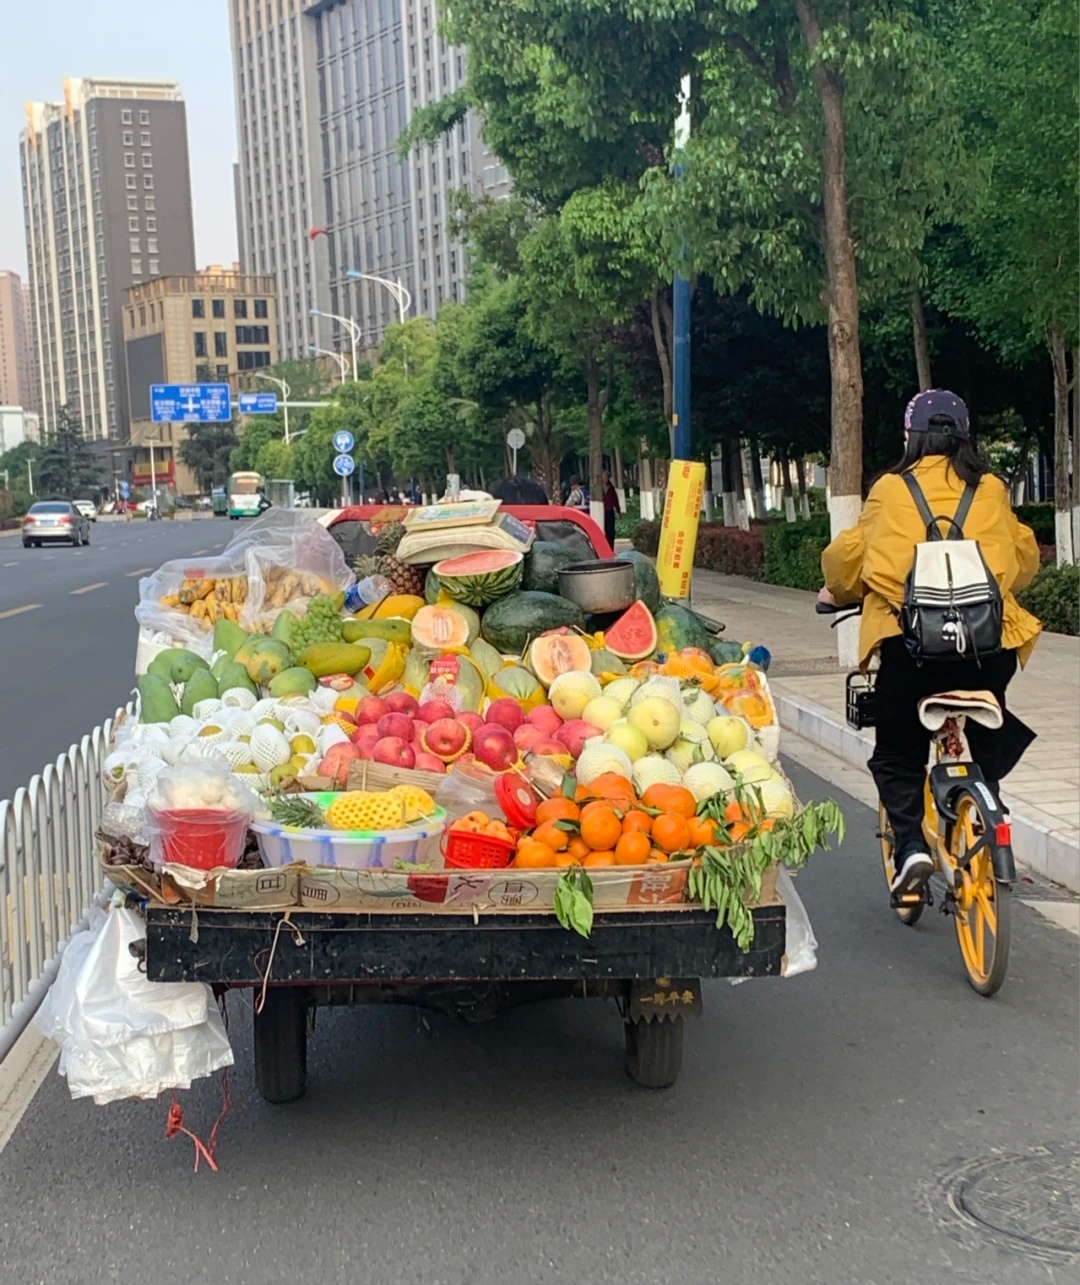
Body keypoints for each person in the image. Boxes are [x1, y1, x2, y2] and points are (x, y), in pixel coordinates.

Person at [819, 389, 1041, 898]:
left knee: (896, 752)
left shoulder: (891, 489)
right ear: (966, 436)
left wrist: (837, 591)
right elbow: (1022, 554)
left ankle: (910, 848)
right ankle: (985, 807)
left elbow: (847, 557)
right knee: (985, 730)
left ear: (911, 436)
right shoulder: (990, 488)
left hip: (912, 649)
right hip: (987, 651)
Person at [602, 469, 621, 547]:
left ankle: (611, 547)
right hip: (601, 511)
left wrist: (618, 510)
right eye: (603, 477)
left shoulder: (611, 487)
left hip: (609, 511)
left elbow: (615, 499)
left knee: (611, 531)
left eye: (606, 477)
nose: (605, 479)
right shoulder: (597, 488)